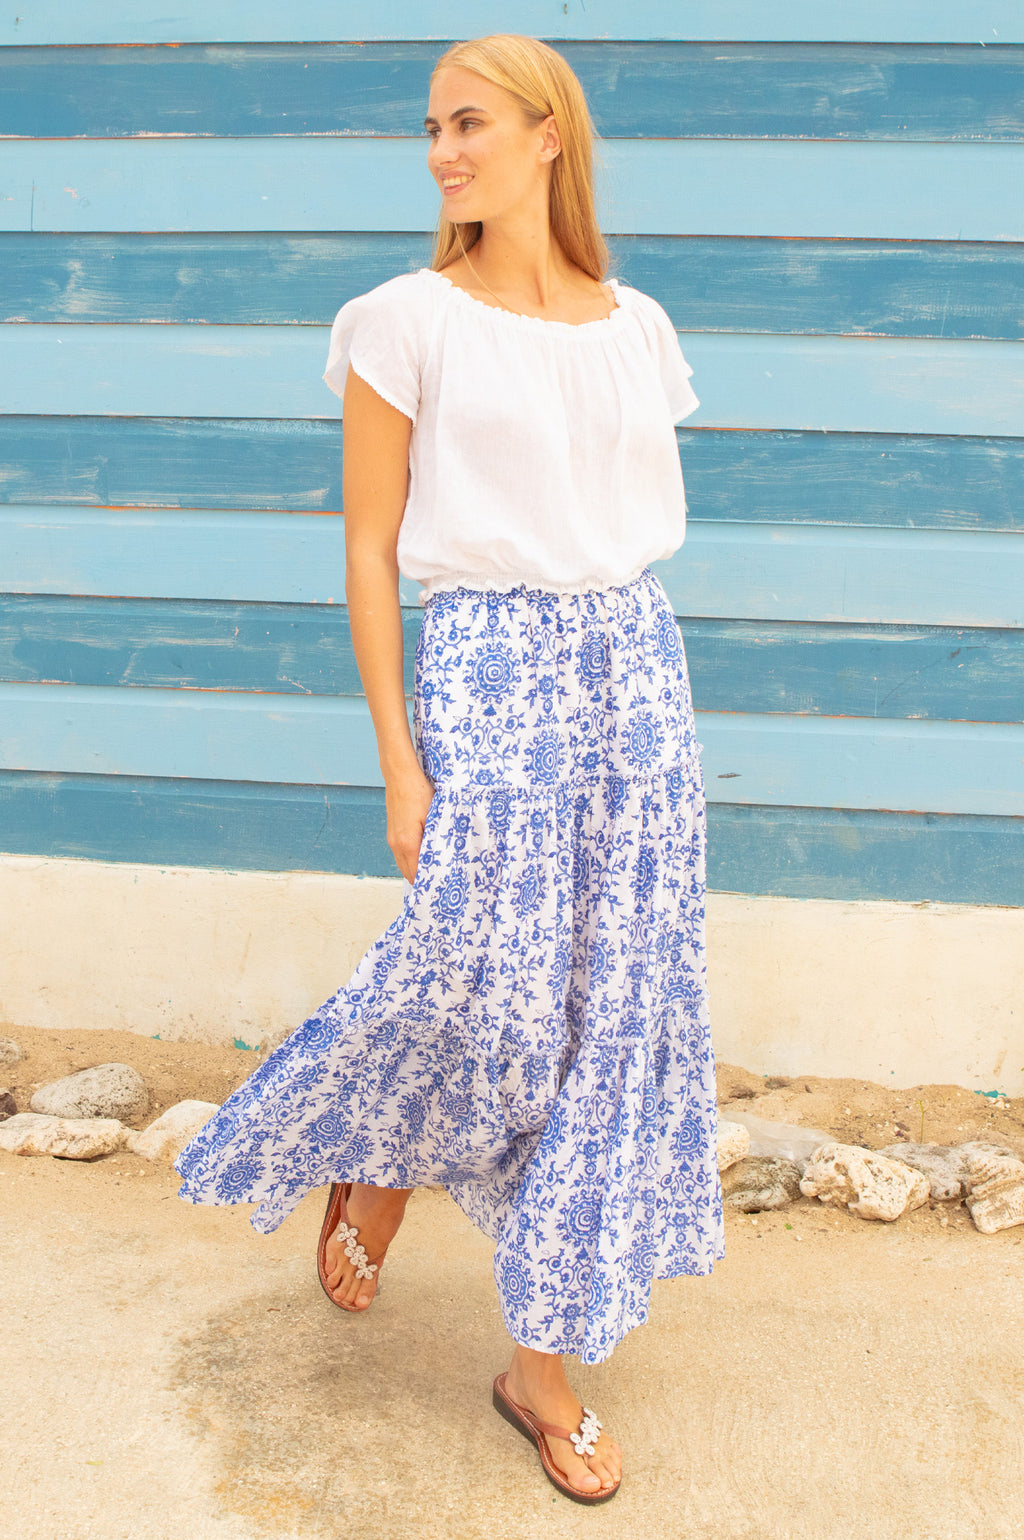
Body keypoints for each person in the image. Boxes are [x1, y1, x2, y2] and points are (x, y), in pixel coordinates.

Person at [175, 32, 723, 1506]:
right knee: (480, 974)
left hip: (635, 670)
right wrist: (398, 762)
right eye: (431, 128)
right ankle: (379, 1152)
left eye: (468, 123)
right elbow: (368, 548)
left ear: (550, 134)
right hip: (488, 665)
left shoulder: (637, 326)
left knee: (618, 1003)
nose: (442, 152)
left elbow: (624, 516)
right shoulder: (404, 319)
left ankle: (539, 1364)